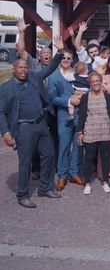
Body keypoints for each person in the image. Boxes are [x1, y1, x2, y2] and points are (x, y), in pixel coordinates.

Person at [0, 38, 64, 207]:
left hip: (41, 124)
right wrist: (6, 132)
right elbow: (1, 112)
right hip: (23, 128)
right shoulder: (6, 88)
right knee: (25, 161)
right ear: (14, 69)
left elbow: (50, 68)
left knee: (49, 155)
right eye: (20, 67)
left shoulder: (34, 78)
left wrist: (60, 52)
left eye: (25, 67)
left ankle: (45, 188)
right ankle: (22, 195)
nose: (23, 70)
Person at [48, 47, 84, 190]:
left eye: (69, 58)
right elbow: (52, 98)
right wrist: (69, 101)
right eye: (64, 58)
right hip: (64, 116)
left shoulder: (77, 74)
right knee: (63, 146)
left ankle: (74, 173)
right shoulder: (54, 77)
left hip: (79, 115)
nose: (66, 60)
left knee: (78, 145)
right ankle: (62, 175)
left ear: (72, 60)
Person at [76, 73, 110, 195]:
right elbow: (82, 115)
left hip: (105, 131)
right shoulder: (85, 97)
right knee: (89, 158)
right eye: (93, 81)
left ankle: (106, 181)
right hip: (90, 131)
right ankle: (87, 183)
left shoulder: (108, 97)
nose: (96, 83)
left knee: (105, 157)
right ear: (90, 83)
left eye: (98, 81)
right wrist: (80, 131)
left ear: (101, 81)